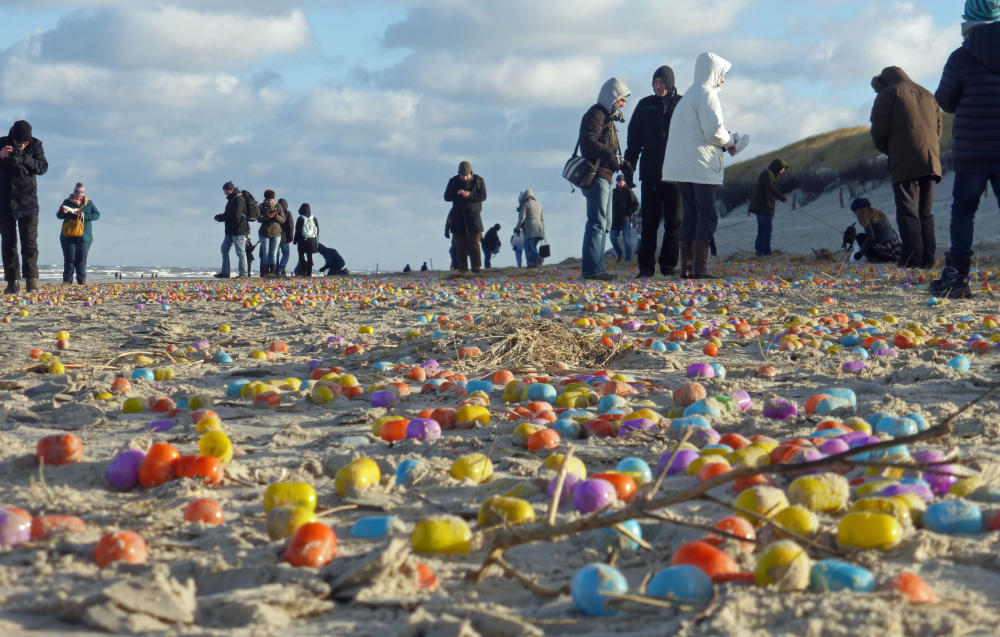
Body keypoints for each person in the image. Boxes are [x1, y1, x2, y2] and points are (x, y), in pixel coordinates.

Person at [930, 1, 1000, 298]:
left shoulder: (960, 56)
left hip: (972, 150)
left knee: (963, 212)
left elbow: (944, 100)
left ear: (968, 20)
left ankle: (956, 278)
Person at [662, 52, 742, 279]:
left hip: (681, 169)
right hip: (700, 167)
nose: (723, 80)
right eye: (722, 74)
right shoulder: (707, 95)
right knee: (707, 215)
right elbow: (714, 132)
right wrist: (730, 141)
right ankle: (699, 268)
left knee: (691, 215)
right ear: (713, 73)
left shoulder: (688, 96)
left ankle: (687, 268)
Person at [870, 66, 942, 268]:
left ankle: (912, 258)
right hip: (931, 160)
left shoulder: (888, 94)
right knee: (925, 213)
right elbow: (938, 128)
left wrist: (891, 150)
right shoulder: (928, 94)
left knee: (908, 211)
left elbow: (878, 131)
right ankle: (928, 258)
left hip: (904, 160)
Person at [625, 65, 685, 277]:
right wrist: (628, 168)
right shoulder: (644, 105)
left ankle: (668, 265)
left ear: (669, 83)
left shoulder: (683, 104)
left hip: (676, 173)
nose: (657, 87)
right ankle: (646, 267)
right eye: (655, 83)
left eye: (661, 83)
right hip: (650, 172)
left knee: (674, 221)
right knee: (649, 222)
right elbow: (633, 142)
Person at [579, 77, 631, 280]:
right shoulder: (596, 114)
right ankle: (592, 269)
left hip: (606, 175)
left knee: (604, 223)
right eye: (621, 99)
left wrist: (622, 163)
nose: (623, 104)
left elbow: (605, 147)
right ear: (612, 97)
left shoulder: (606, 117)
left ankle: (596, 267)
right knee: (597, 222)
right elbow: (588, 140)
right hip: (597, 175)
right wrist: (610, 157)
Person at [0, 120, 48, 293]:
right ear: (12, 138)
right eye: (19, 142)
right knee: (8, 243)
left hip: (28, 202)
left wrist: (25, 157)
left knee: (29, 242)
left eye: (25, 143)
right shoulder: (1, 143)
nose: (22, 145)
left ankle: (31, 281)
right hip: (5, 202)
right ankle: (12, 282)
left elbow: (43, 168)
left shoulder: (36, 145)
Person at [444, 161, 487, 273]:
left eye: (466, 175)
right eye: (462, 175)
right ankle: (462, 270)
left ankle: (476, 269)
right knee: (459, 246)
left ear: (470, 173)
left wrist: (470, 194)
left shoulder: (479, 180)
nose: (464, 178)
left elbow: (483, 196)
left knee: (475, 246)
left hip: (474, 219)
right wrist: (457, 194)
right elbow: (446, 197)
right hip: (458, 219)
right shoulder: (453, 181)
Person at [56, 182, 100, 284]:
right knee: (69, 259)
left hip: (85, 236)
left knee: (81, 260)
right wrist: (65, 212)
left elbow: (97, 215)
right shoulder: (67, 202)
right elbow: (58, 215)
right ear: (74, 192)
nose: (79, 195)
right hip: (68, 235)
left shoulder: (89, 204)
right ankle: (67, 281)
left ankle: (82, 281)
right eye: (77, 192)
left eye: (82, 192)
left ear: (84, 193)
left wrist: (86, 216)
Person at [748, 159, 789, 256]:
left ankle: (759, 250)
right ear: (777, 167)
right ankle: (766, 252)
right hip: (764, 207)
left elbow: (770, 190)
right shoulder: (767, 174)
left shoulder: (769, 175)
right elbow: (771, 189)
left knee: (762, 229)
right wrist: (782, 198)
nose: (782, 171)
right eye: (782, 169)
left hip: (762, 207)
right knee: (766, 229)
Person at [214, 181, 249, 279]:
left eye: (225, 190)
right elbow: (230, 214)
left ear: (231, 190)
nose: (224, 192)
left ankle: (243, 274)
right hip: (230, 230)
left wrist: (222, 217)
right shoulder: (231, 199)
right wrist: (221, 217)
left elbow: (236, 215)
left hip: (239, 230)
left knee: (240, 252)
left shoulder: (239, 199)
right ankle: (225, 272)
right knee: (224, 249)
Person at [850, 198, 901, 263]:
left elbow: (871, 237)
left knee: (860, 237)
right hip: (895, 244)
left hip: (884, 248)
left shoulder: (864, 217)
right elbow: (892, 230)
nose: (855, 214)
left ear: (859, 210)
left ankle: (875, 259)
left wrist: (860, 253)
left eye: (855, 212)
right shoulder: (879, 213)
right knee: (863, 237)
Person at [611, 174, 639, 262]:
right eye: (618, 182)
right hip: (614, 220)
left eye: (620, 181)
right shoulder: (613, 192)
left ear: (624, 182)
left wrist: (628, 214)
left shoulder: (629, 191)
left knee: (627, 239)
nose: (619, 183)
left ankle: (628, 259)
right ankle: (620, 254)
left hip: (625, 220)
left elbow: (636, 204)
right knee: (612, 238)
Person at [257, 189, 286, 277]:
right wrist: (267, 216)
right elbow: (258, 219)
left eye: (271, 199)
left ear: (274, 199)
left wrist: (276, 216)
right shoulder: (261, 206)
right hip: (264, 233)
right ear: (265, 199)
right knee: (265, 253)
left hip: (276, 233)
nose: (270, 201)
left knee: (273, 253)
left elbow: (283, 219)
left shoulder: (278, 206)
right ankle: (265, 273)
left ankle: (273, 273)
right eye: (268, 200)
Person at [516, 189, 545, 267]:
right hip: (539, 229)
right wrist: (543, 230)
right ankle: (532, 263)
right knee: (532, 246)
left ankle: (538, 258)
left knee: (530, 247)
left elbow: (522, 218)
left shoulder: (526, 205)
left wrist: (517, 228)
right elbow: (542, 219)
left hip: (530, 229)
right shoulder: (539, 204)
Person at [293, 203, 319, 277]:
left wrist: (295, 240)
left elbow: (297, 231)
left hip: (303, 241)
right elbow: (317, 230)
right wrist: (316, 240)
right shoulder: (314, 218)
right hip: (312, 241)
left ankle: (303, 271)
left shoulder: (300, 218)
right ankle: (309, 273)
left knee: (301, 256)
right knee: (310, 256)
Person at [277, 197, 293, 278]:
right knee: (286, 254)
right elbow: (291, 227)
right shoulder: (288, 213)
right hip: (284, 237)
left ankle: (276, 270)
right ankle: (282, 267)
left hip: (275, 236)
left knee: (276, 254)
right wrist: (290, 238)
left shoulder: (276, 213)